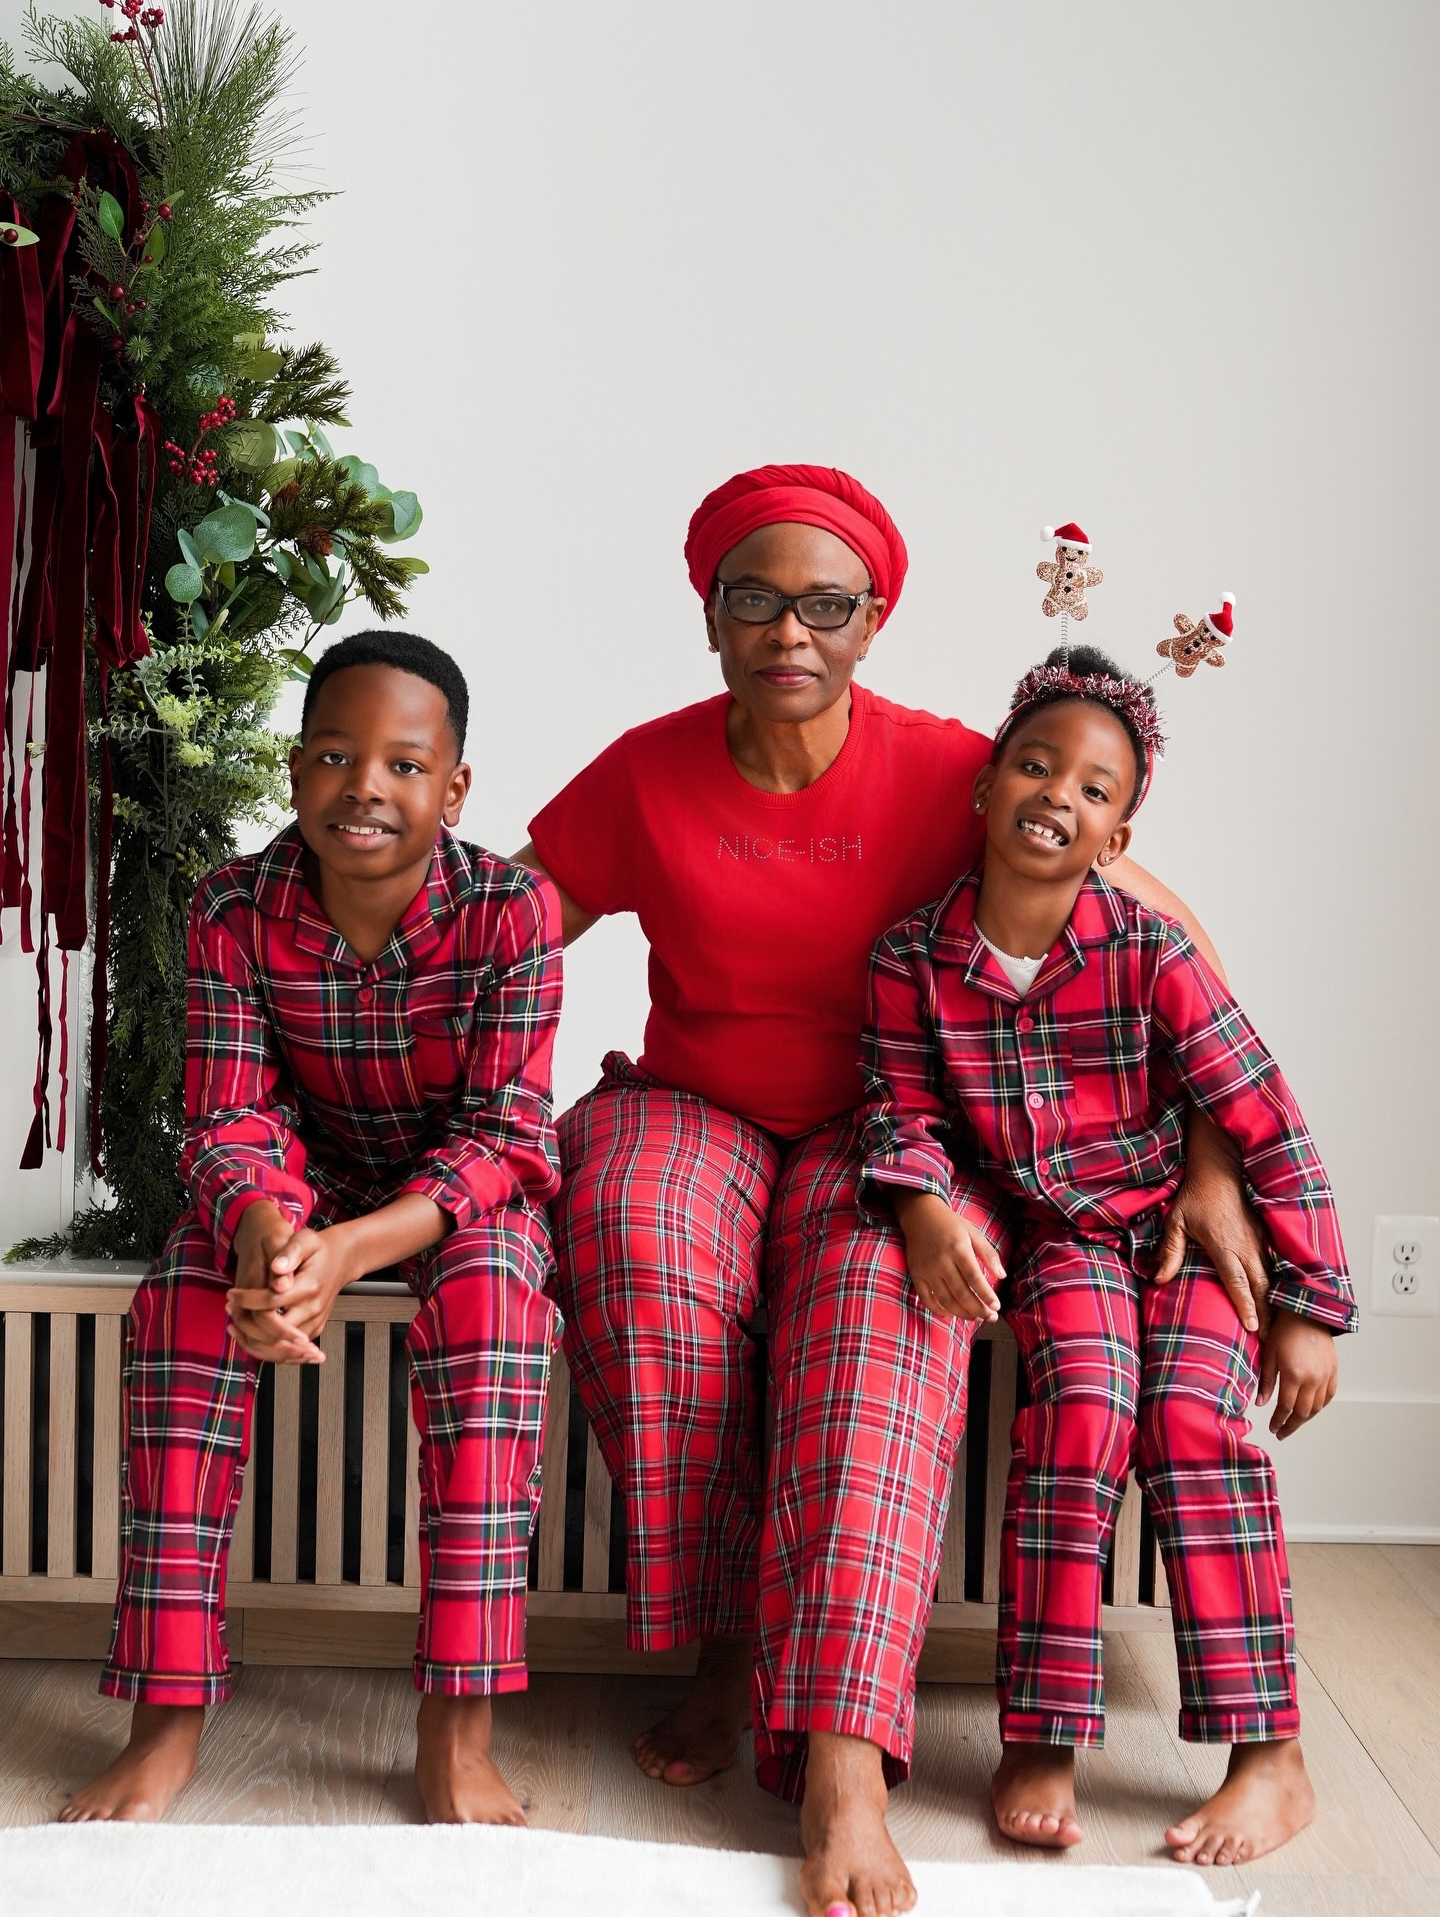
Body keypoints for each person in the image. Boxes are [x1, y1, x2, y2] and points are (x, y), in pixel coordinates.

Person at [516, 466, 1272, 1917]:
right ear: (711, 613)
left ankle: (848, 1758)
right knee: (630, 1232)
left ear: (875, 620)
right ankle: (728, 1648)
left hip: (905, 1130)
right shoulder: (648, 768)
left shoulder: (953, 770)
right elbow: (509, 920)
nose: (788, 630)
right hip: (696, 1101)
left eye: (825, 604)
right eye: (755, 598)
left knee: (878, 1321)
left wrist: (1213, 1166)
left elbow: (1173, 949)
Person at [860, 644, 1356, 1869]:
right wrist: (923, 1206)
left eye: (1093, 789)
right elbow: (899, 1110)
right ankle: (1043, 1730)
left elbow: (1264, 1116)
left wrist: (1311, 1307)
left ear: (1117, 831)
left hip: (1185, 1239)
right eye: (1036, 765)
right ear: (985, 788)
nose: (1057, 796)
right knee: (1078, 1412)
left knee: (1194, 1424)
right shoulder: (911, 959)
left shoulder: (1151, 951)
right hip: (1064, 1241)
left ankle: (1269, 1754)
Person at [62, 630, 563, 1827]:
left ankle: (457, 1729)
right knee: (179, 1308)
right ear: (295, 773)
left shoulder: (511, 911)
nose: (366, 788)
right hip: (290, 1191)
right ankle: (166, 1718)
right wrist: (262, 1242)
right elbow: (229, 1115)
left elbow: (503, 1135)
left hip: (454, 1199)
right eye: (336, 757)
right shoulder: (234, 905)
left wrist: (348, 1252)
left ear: (455, 787)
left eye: (402, 764)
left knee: (494, 1313)